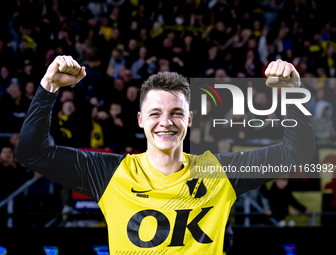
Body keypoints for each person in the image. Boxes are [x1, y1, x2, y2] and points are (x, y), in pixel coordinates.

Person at [17, 56, 315, 254]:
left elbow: (296, 152)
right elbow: (32, 152)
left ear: (189, 120)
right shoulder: (109, 173)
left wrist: (291, 93)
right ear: (140, 120)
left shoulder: (218, 173)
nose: (165, 122)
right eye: (155, 113)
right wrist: (49, 86)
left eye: (176, 113)